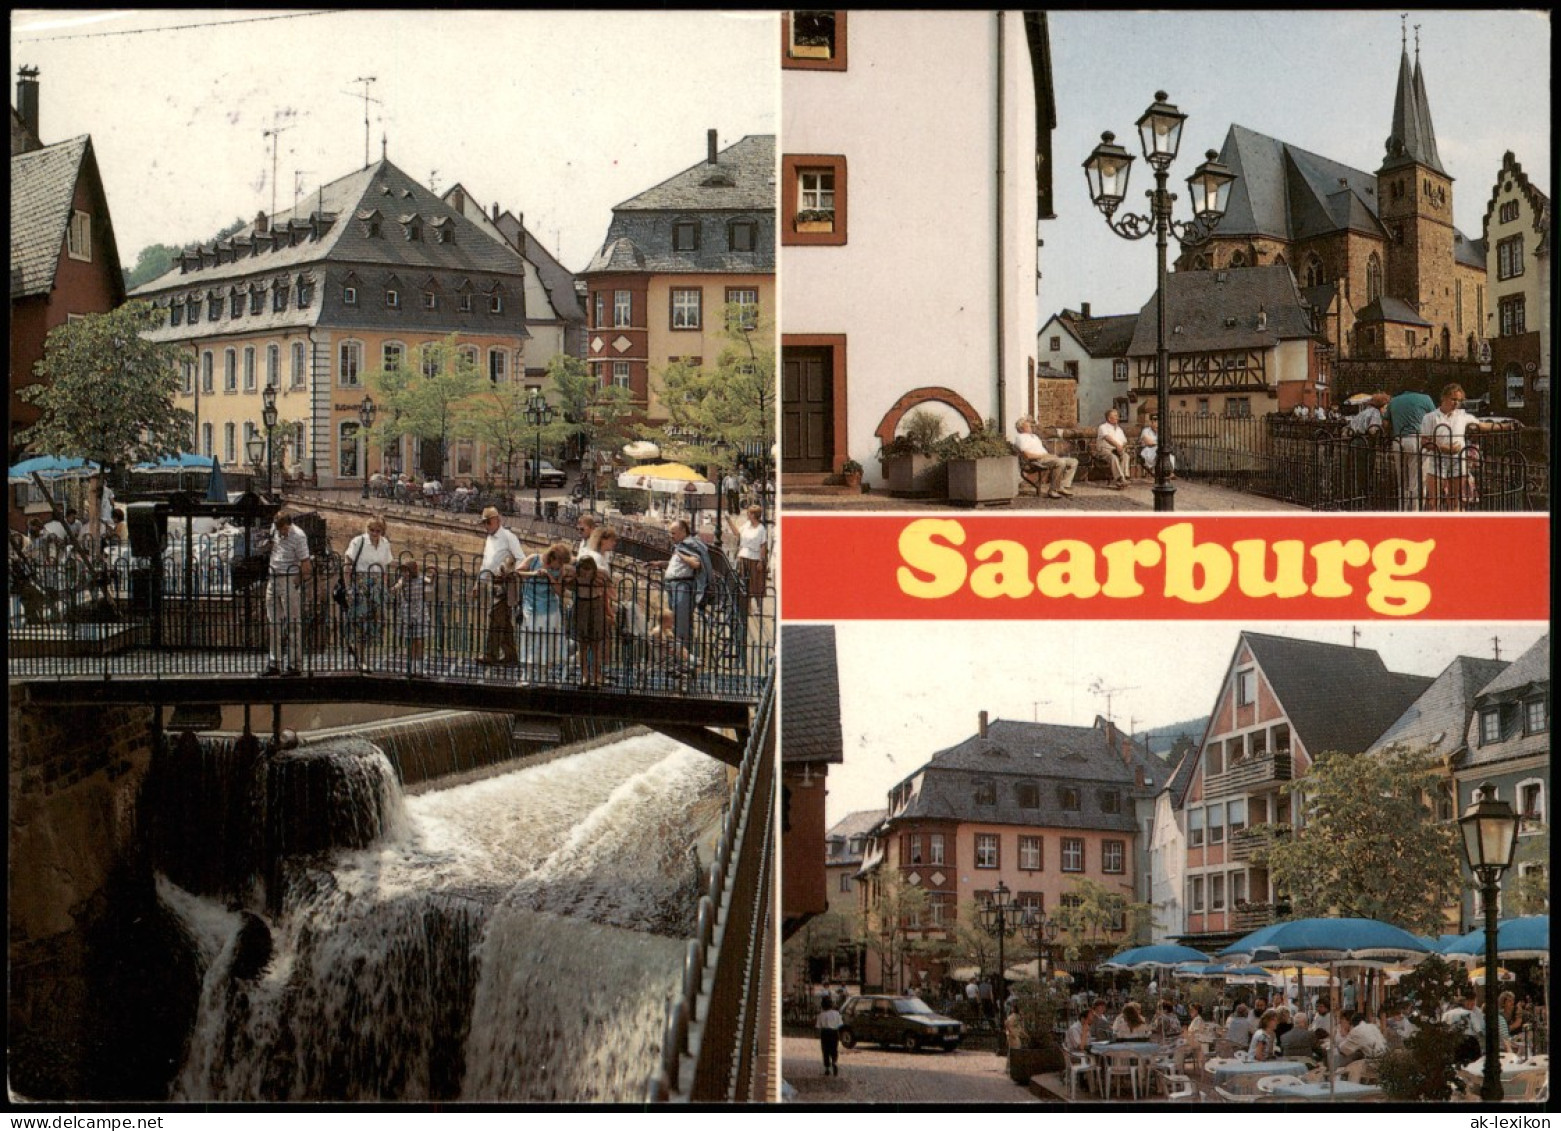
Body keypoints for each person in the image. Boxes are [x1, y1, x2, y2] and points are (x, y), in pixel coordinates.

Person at [261, 509, 311, 677]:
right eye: (279, 529)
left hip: (289, 579)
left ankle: (294, 665)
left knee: (292, 623)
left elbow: (306, 562)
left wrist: (298, 582)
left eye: (283, 529)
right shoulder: (274, 530)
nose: (281, 532)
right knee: (273, 621)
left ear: (289, 525)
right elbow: (273, 548)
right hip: (273, 577)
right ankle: (275, 663)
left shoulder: (299, 536)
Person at [342, 516, 393, 673]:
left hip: (377, 587)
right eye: (371, 530)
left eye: (378, 531)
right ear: (367, 529)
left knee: (375, 623)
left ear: (382, 531)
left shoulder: (385, 544)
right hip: (361, 586)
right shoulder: (359, 541)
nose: (374, 533)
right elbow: (347, 564)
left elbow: (385, 568)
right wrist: (349, 588)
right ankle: (361, 659)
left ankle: (358, 650)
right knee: (360, 623)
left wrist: (384, 588)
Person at [1420, 382, 1481, 512]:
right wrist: (1445, 448)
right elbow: (1424, 441)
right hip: (1437, 458)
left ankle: (1453, 527)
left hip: (1457, 459)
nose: (1456, 403)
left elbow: (1481, 426)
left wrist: (1507, 426)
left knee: (1454, 499)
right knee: (1433, 500)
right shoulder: (1430, 417)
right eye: (1453, 399)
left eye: (1459, 400)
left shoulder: (1462, 416)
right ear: (1443, 398)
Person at [474, 506, 523, 666]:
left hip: (505, 583)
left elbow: (520, 559)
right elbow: (486, 563)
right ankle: (511, 655)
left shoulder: (509, 537)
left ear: (497, 520)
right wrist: (478, 583)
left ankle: (491, 654)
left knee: (494, 617)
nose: (486, 525)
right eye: (484, 523)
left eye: (488, 522)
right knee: (504, 621)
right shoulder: (489, 539)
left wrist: (509, 571)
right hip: (492, 582)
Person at [516, 542, 572, 676]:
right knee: (529, 638)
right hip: (531, 605)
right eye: (560, 562)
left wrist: (549, 576)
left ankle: (543, 673)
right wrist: (534, 573)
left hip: (549, 608)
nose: (560, 566)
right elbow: (517, 573)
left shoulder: (560, 570)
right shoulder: (534, 559)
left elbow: (559, 591)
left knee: (547, 641)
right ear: (553, 558)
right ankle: (527, 672)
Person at [1386, 386, 1436, 510]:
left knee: (1402, 479)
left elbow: (1385, 422)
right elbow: (1434, 418)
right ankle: (1415, 511)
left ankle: (1402, 508)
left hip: (1398, 440)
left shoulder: (1394, 401)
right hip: (1418, 439)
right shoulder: (1426, 399)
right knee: (1417, 480)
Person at [663, 519, 709, 653]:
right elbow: (679, 566)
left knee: (681, 623)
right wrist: (660, 563)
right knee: (675, 622)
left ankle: (684, 656)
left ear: (683, 531)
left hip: (682, 585)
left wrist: (680, 554)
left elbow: (696, 564)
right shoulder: (682, 546)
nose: (671, 536)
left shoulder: (689, 545)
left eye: (674, 533)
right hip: (674, 585)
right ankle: (681, 655)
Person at [1014, 416, 1077, 498]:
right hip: (1035, 461)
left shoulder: (1034, 436)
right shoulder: (1020, 438)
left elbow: (1042, 450)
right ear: (1021, 428)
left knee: (1073, 461)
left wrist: (1050, 456)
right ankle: (1053, 490)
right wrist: (1044, 456)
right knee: (1060, 462)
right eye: (1028, 426)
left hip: (1046, 458)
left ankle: (1062, 487)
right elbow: (1028, 455)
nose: (1031, 427)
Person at [571, 554, 609, 689]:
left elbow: (608, 580)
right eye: (583, 568)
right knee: (583, 644)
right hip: (581, 605)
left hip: (596, 605)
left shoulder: (599, 576)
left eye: (588, 569)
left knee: (596, 644)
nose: (585, 572)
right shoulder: (575, 577)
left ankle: (597, 675)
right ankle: (584, 674)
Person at [390, 559, 434, 675]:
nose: (405, 574)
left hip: (420, 610)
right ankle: (412, 665)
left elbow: (430, 582)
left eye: (408, 571)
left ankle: (419, 666)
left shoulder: (421, 579)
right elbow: (396, 587)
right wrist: (394, 588)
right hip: (408, 611)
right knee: (410, 640)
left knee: (419, 640)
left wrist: (433, 574)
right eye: (404, 571)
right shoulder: (403, 581)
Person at [725, 504, 768, 614]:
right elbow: (737, 534)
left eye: (749, 513)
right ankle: (747, 608)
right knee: (744, 583)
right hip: (743, 555)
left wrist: (761, 561)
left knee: (756, 582)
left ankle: (759, 607)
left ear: (753, 515)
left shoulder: (761, 529)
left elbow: (763, 545)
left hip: (755, 557)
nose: (747, 515)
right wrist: (729, 521)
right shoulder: (746, 525)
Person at [1096, 408, 1131, 489]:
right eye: (1115, 416)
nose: (1117, 417)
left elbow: (1124, 441)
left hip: (1117, 450)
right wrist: (1117, 446)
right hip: (1104, 450)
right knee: (1113, 457)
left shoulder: (1119, 429)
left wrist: (1122, 448)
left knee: (1126, 456)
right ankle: (1119, 479)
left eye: (1117, 416)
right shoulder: (1103, 427)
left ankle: (1124, 478)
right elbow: (1107, 438)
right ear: (1109, 418)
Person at [1138, 413, 1175, 478]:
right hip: (1148, 450)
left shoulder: (1160, 431)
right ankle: (1160, 472)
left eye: (1157, 421)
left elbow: (1166, 442)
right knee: (1159, 452)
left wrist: (1158, 442)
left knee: (1170, 455)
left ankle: (1169, 471)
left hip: (1158, 449)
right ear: (1151, 422)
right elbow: (1149, 442)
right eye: (1154, 421)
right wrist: (1159, 442)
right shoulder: (1146, 430)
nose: (1155, 423)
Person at [816, 994, 843, 1076]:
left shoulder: (821, 1015)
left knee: (825, 1051)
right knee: (834, 1049)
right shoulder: (836, 1013)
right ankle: (834, 1062)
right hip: (834, 1033)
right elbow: (840, 1025)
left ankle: (827, 1068)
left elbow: (818, 1026)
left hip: (825, 1033)